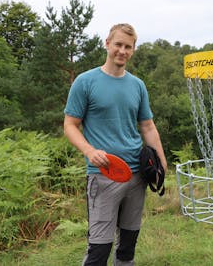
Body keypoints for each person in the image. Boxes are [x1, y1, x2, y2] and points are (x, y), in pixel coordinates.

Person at [63, 23, 167, 265]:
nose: (122, 50)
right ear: (107, 44)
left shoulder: (137, 85)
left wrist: (161, 162)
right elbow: (70, 125)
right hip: (102, 174)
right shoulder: (85, 82)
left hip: (137, 175)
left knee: (128, 244)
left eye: (128, 47)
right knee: (100, 248)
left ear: (133, 50)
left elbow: (148, 127)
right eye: (118, 44)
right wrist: (89, 151)